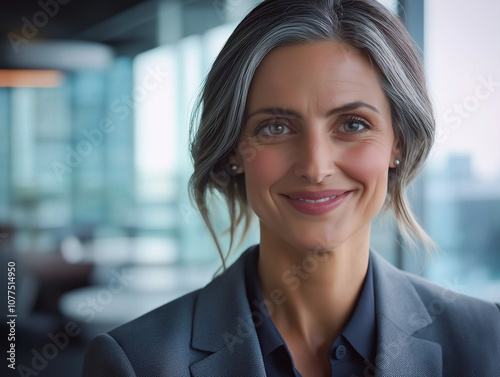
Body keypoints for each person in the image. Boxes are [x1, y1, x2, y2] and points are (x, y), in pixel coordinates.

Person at [82, 0, 500, 376]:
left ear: (399, 144)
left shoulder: (490, 340)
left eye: (353, 124)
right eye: (276, 127)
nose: (316, 167)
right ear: (233, 150)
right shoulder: (137, 362)